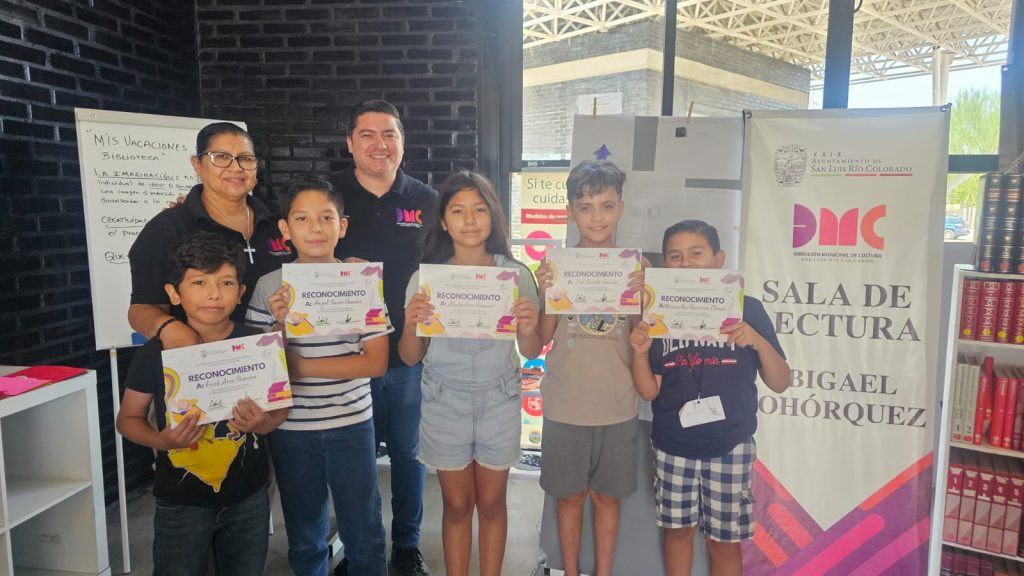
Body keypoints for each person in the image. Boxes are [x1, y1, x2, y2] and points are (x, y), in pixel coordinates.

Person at [116, 231, 289, 576]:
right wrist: (160, 440)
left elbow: (279, 409)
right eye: (198, 282)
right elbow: (128, 418)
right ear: (173, 293)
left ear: (240, 292)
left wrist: (263, 423)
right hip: (181, 501)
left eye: (226, 283)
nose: (213, 294)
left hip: (249, 497)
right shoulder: (156, 352)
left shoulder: (258, 344)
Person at [398, 171, 542, 576]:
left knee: (493, 503)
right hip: (445, 400)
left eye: (480, 209)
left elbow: (530, 351)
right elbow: (410, 357)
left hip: (500, 399)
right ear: (443, 220)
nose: (470, 219)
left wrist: (529, 328)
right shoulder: (425, 280)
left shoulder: (516, 276)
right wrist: (411, 325)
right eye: (458, 210)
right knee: (457, 505)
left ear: (493, 217)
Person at [245, 175, 389, 576]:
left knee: (364, 529)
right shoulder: (269, 287)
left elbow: (375, 362)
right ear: (285, 230)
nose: (315, 228)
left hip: (352, 423)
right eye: (303, 219)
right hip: (291, 428)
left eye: (326, 218)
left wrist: (299, 368)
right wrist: (278, 327)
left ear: (342, 226)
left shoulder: (361, 283)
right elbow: (262, 368)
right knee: (304, 531)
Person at [629, 220, 791, 576]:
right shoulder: (658, 315)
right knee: (677, 533)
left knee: (723, 541)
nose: (685, 263)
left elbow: (781, 382)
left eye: (696, 253)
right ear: (666, 265)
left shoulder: (748, 309)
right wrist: (639, 352)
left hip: (730, 444)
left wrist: (758, 341)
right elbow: (649, 390)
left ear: (719, 259)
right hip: (673, 444)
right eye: (675, 256)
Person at [329, 100, 438, 576]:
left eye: (389, 134)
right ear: (350, 143)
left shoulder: (427, 199)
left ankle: (407, 546)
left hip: (408, 355)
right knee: (354, 461)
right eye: (368, 135)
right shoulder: (329, 199)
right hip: (346, 356)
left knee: (408, 456)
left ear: (402, 142)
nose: (380, 144)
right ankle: (362, 550)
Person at [533, 160, 645, 576]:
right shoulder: (555, 267)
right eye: (586, 207)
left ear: (620, 208)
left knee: (607, 498)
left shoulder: (636, 271)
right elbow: (543, 337)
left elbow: (641, 338)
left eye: (606, 205)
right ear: (570, 211)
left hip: (617, 404)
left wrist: (643, 300)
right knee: (570, 497)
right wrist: (545, 293)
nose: (596, 216)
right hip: (565, 404)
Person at [128, 122, 292, 350]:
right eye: (221, 157)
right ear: (197, 164)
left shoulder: (280, 225)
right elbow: (140, 309)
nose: (236, 168)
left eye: (245, 158)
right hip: (203, 364)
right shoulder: (166, 229)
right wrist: (169, 328)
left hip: (274, 362)